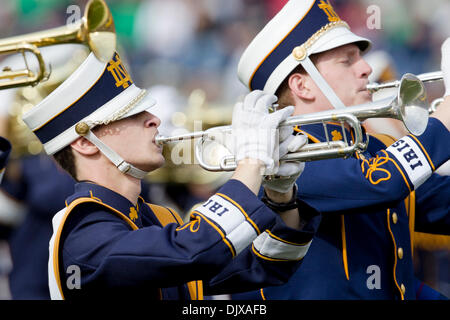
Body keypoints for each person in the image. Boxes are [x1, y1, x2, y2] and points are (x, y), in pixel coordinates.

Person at [21, 49, 321, 300]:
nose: (154, 119)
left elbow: (267, 265)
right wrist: (252, 162)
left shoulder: (150, 218)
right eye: (130, 115)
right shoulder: (85, 232)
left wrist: (280, 194)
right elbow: (193, 252)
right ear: (86, 142)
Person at [234, 0, 450, 300]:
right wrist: (447, 115)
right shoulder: (282, 153)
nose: (367, 68)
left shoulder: (371, 147)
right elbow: (381, 182)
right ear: (302, 86)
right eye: (347, 61)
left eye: (359, 57)